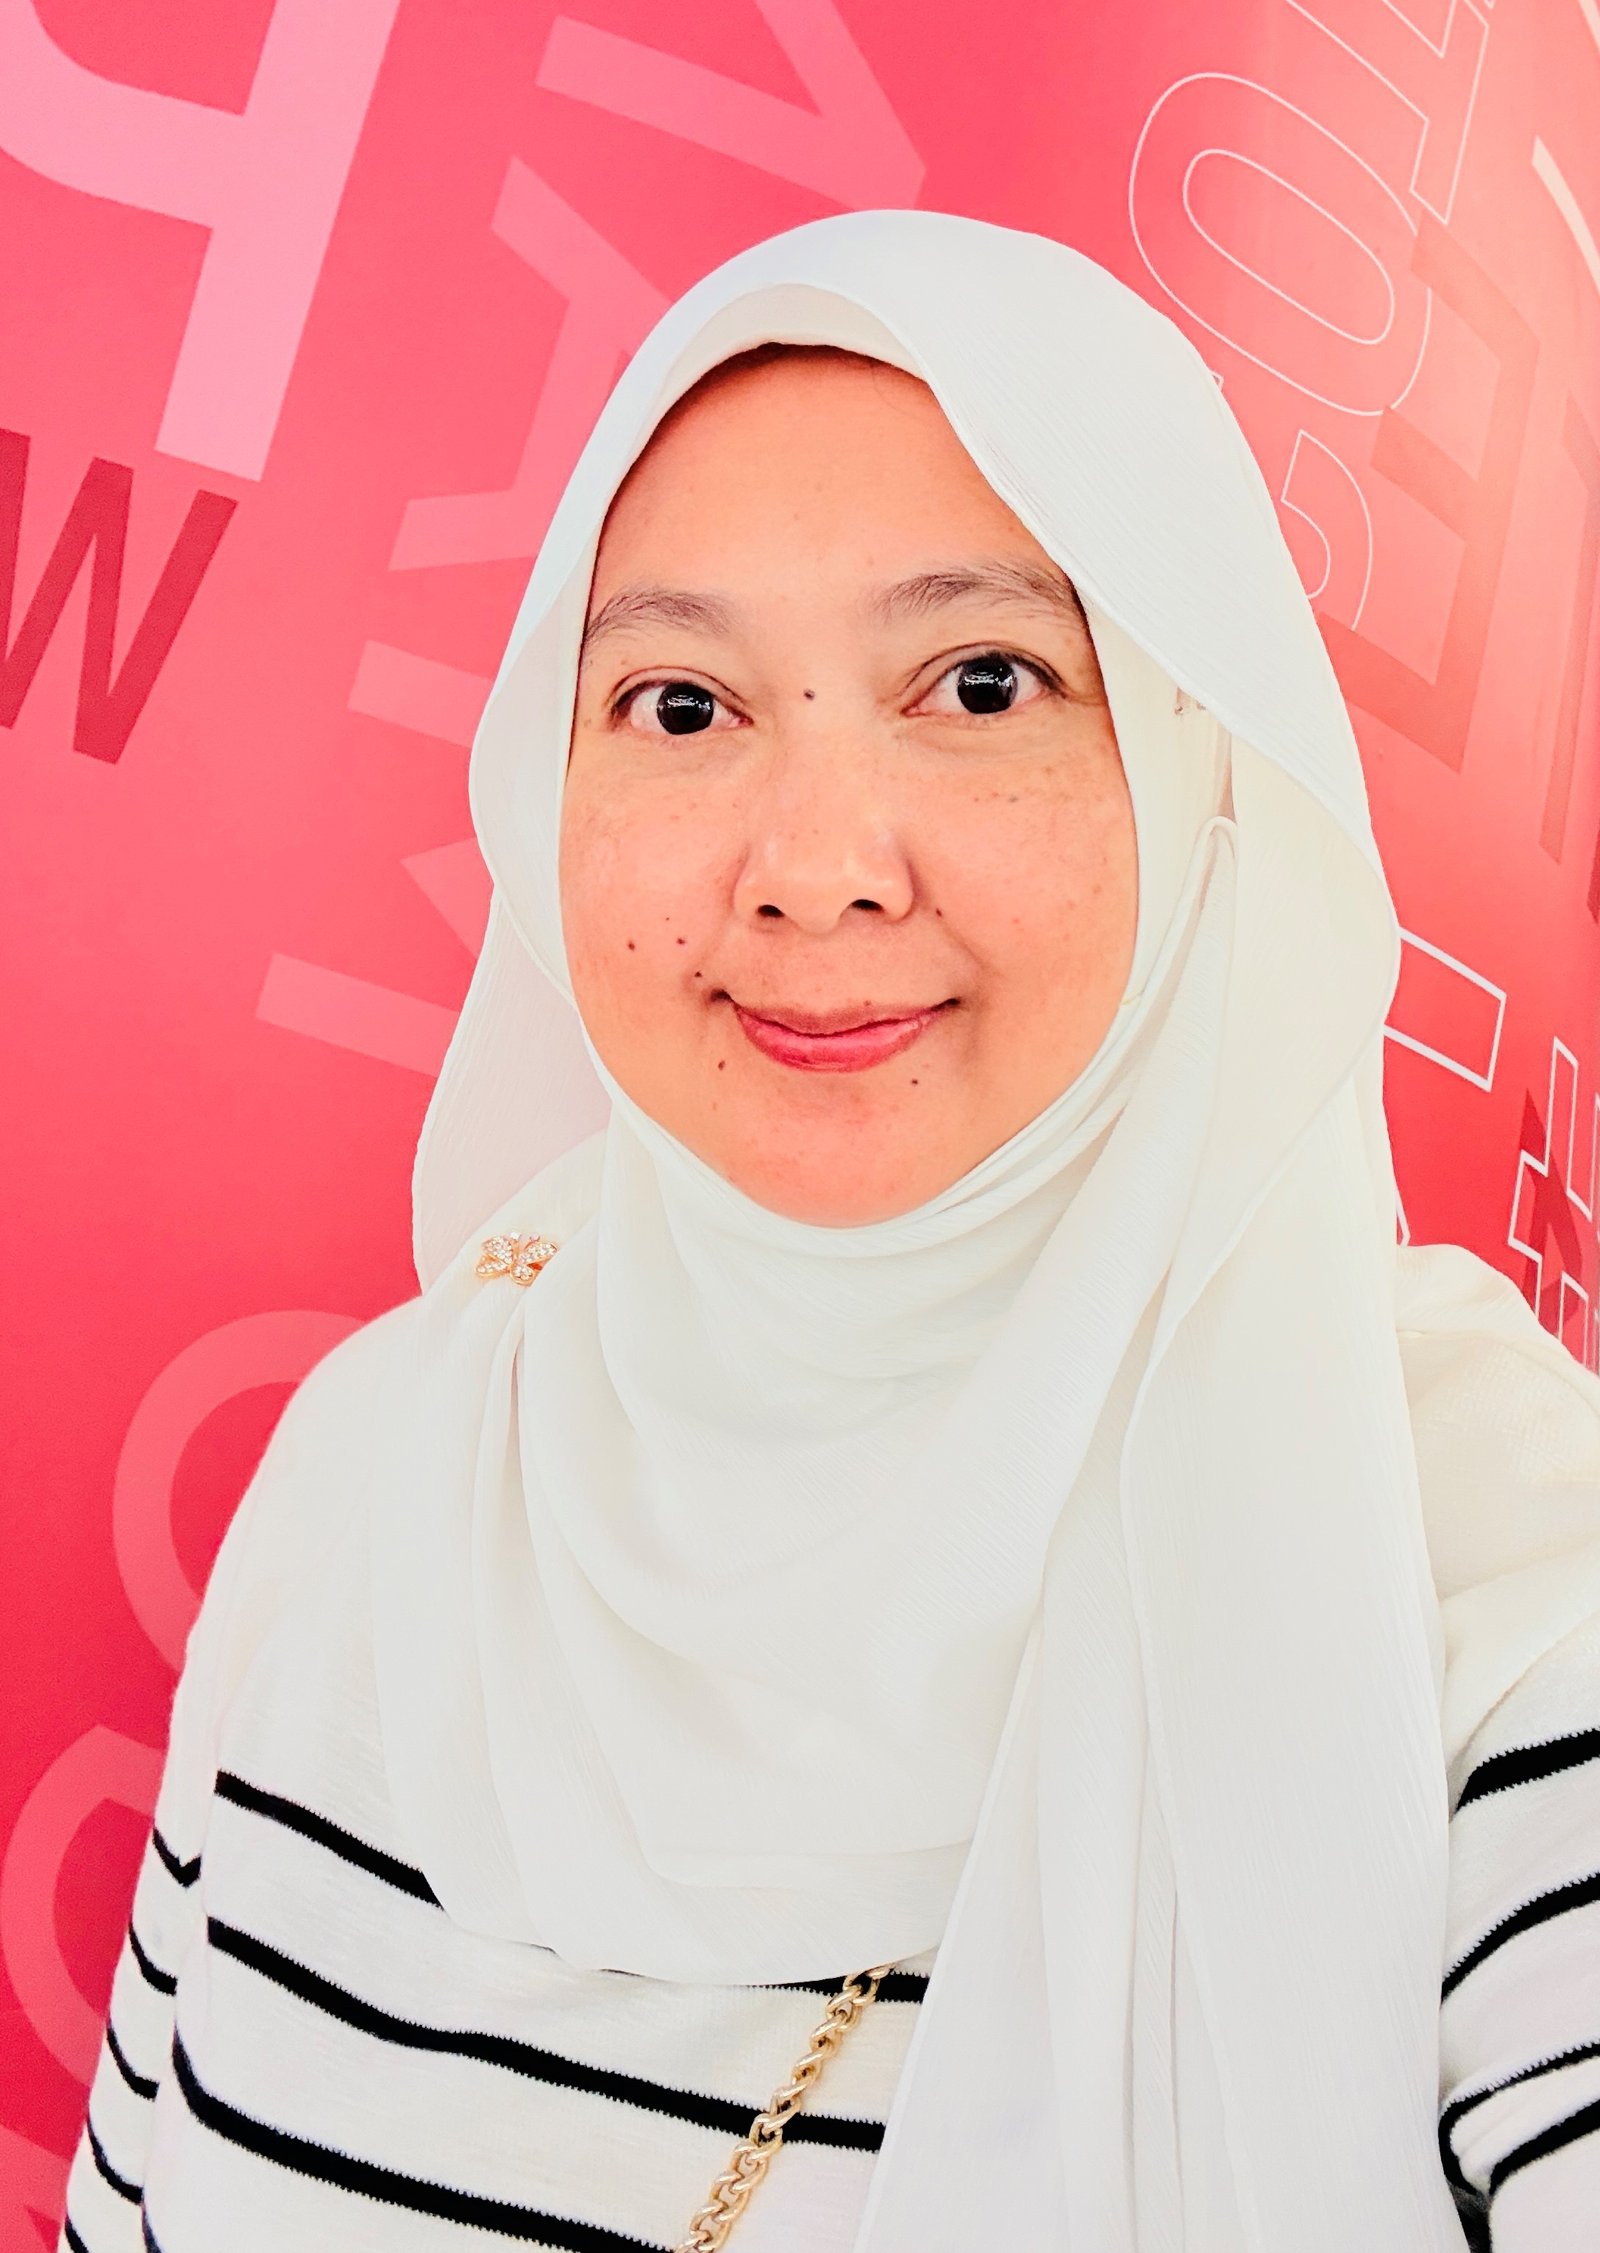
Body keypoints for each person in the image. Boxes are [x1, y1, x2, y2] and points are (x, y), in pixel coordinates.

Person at [60, 211, 1600, 2253]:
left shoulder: (1486, 1587)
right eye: (680, 704)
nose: (810, 868)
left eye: (980, 682)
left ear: (1189, 761)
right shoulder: (387, 1459)